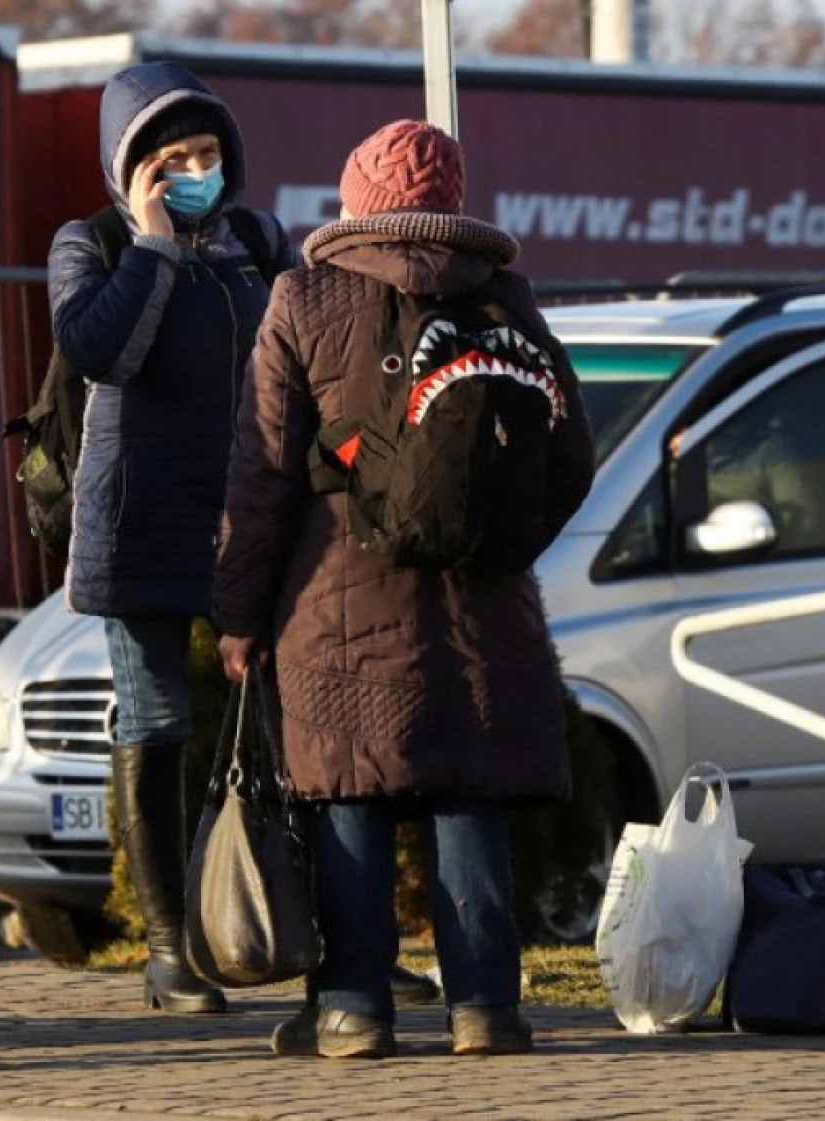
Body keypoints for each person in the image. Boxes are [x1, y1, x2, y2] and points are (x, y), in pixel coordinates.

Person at [211, 120, 596, 1060]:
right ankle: (485, 1007)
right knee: (470, 796)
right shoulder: (505, 299)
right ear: (451, 202)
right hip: (483, 607)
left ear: (355, 202)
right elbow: (572, 456)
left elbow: (262, 475)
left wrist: (239, 614)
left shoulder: (304, 299)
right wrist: (502, 538)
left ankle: (351, 1009)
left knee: (351, 795)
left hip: (336, 603)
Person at [46, 61, 294, 1013]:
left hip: (248, 514)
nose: (196, 171)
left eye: (207, 152)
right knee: (155, 722)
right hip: (141, 517)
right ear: (132, 166)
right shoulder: (94, 242)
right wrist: (151, 245)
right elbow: (100, 349)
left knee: (288, 723)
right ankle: (168, 947)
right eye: (173, 158)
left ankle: (299, 926)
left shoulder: (256, 240)